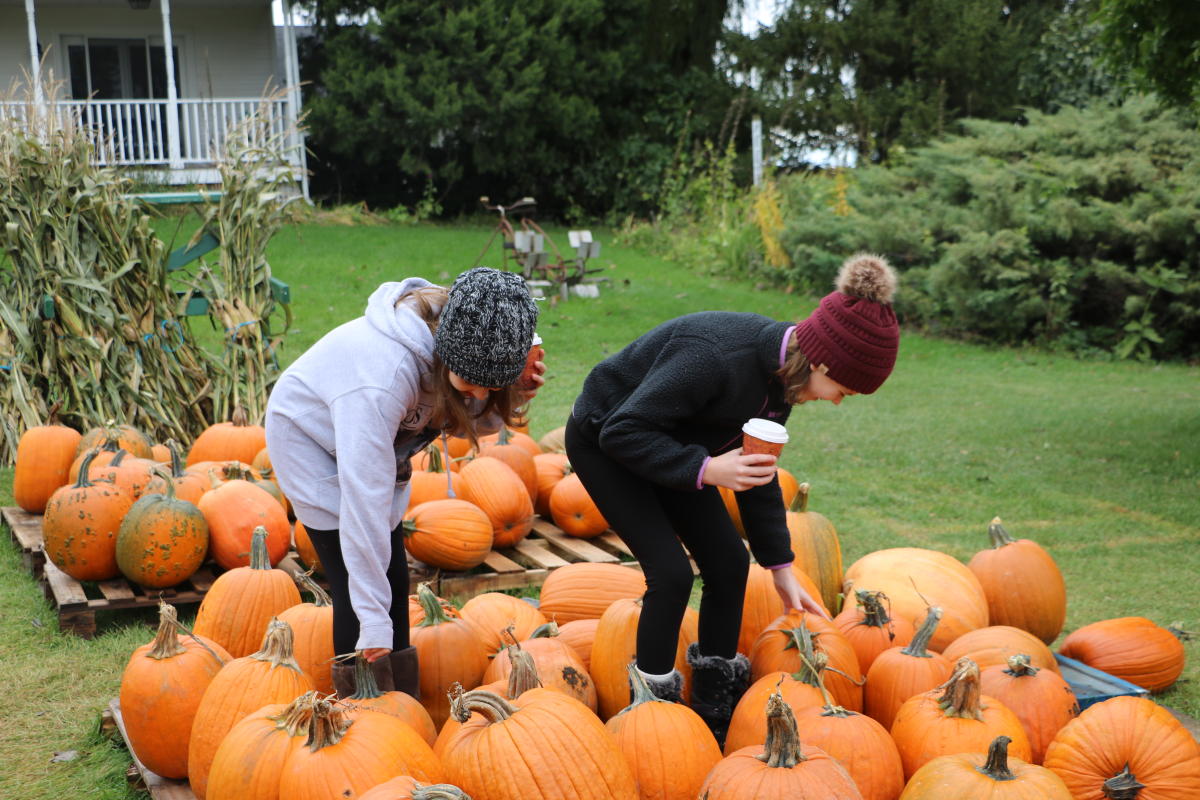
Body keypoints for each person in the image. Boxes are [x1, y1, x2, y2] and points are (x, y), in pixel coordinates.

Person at [565, 253, 900, 745]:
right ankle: (652, 718)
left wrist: (781, 566)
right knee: (672, 573)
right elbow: (624, 431)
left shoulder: (783, 381)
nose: (836, 400)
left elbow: (759, 473)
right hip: (606, 440)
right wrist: (707, 468)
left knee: (727, 561)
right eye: (843, 390)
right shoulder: (714, 356)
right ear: (823, 361)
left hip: (678, 448)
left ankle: (714, 709)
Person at [264, 267, 542, 698]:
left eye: (491, 385)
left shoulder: (461, 348)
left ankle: (400, 708)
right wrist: (374, 624)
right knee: (356, 592)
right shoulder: (382, 377)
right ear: (446, 350)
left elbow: (469, 415)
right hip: (310, 443)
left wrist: (516, 393)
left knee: (393, 576)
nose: (480, 394)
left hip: (375, 448)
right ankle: (361, 714)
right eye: (472, 380)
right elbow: (363, 503)